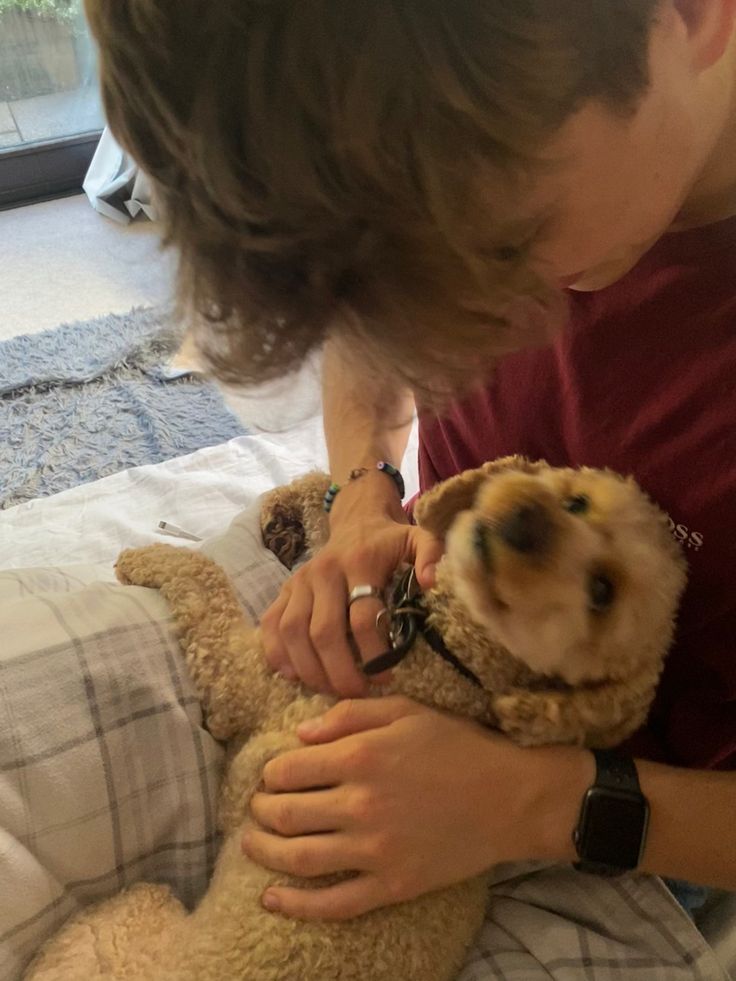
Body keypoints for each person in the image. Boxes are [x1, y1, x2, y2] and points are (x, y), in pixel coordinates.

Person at [85, 0, 736, 967]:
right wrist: (361, 497)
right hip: (406, 622)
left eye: (504, 253)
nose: (466, 330)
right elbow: (372, 321)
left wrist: (526, 802)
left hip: (645, 828)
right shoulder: (521, 146)